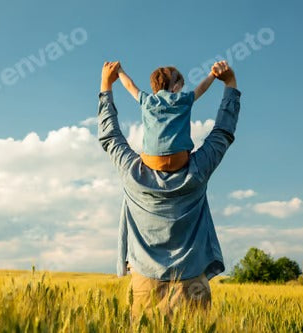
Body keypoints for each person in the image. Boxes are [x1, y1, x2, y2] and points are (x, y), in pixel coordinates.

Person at [97, 60, 241, 319]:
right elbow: (222, 132)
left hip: (144, 287)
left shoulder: (132, 174)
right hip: (193, 283)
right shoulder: (198, 171)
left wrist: (106, 86)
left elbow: (110, 136)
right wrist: (230, 85)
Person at [117, 64, 218, 172]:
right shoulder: (183, 99)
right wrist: (213, 74)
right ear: (174, 87)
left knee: (143, 155)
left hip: (152, 160)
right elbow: (202, 88)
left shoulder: (147, 100)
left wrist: (119, 70)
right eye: (181, 86)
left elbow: (129, 85)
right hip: (179, 160)